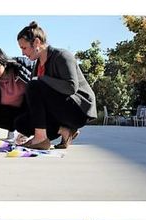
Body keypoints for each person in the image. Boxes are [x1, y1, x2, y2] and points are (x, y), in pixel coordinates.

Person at [15, 21, 97, 150]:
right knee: (21, 123)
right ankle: (65, 131)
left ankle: (40, 139)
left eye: (24, 48)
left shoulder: (62, 56)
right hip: (58, 112)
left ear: (36, 42)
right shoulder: (37, 66)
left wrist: (42, 78)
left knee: (34, 84)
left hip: (77, 111)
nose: (23, 53)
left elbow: (71, 87)